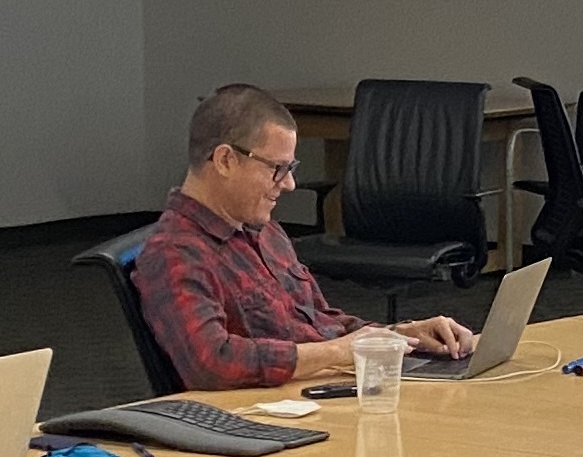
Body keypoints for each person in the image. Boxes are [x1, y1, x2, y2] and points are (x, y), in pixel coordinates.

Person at [131, 86, 478, 389]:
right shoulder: (175, 252)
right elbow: (211, 363)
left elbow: (322, 322)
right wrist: (337, 352)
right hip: (277, 416)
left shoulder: (264, 231)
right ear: (225, 160)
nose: (289, 185)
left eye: (290, 169)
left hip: (324, 389)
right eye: (277, 169)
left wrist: (404, 335)